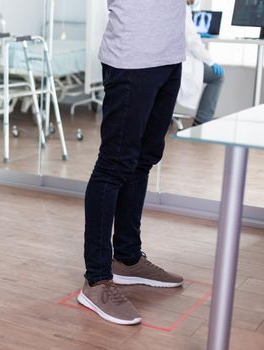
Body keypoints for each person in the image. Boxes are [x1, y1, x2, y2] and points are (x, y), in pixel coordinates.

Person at [77, 0, 186, 325]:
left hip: (170, 54)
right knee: (114, 166)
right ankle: (96, 280)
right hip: (132, 57)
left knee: (144, 159)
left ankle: (127, 258)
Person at [178, 0, 225, 126]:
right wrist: (210, 61)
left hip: (167, 60)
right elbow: (192, 40)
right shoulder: (181, 6)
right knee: (218, 77)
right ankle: (201, 122)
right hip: (180, 62)